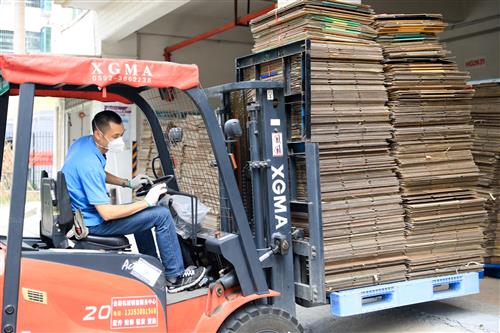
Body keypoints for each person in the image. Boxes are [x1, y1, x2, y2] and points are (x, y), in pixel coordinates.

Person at [61, 110, 205, 293]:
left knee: (140, 214)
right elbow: (106, 213)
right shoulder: (89, 164)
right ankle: (175, 277)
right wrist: (148, 202)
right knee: (161, 215)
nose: (119, 140)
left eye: (121, 135)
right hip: (94, 223)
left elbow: (99, 174)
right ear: (98, 134)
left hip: (85, 216)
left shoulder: (84, 144)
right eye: (115, 136)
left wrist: (127, 183)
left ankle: (152, 267)